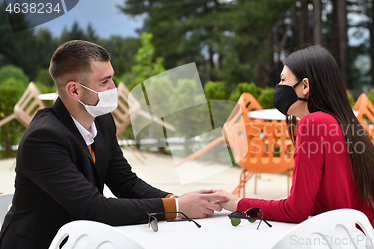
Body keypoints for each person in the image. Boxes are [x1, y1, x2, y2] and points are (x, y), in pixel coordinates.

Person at [0, 40, 228, 248]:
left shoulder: (102, 120)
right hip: (39, 243)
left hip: (79, 239)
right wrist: (176, 209)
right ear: (74, 90)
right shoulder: (43, 139)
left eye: (112, 78)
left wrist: (177, 201)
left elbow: (124, 182)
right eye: (104, 81)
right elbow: (94, 208)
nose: (114, 88)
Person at [216, 46, 374, 249]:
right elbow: (310, 201)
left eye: (282, 80)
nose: (278, 87)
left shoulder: (313, 124)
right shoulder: (345, 123)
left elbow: (295, 211)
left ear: (304, 85)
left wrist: (237, 203)